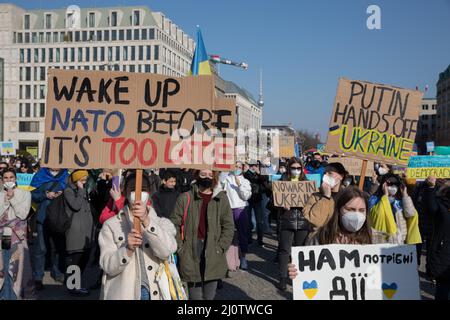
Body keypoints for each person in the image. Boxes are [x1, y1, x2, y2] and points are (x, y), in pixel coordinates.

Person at [99, 173, 177, 300]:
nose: (139, 193)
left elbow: (166, 251)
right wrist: (127, 250)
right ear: (125, 192)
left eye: (144, 189)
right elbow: (107, 265)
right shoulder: (111, 225)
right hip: (124, 293)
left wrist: (147, 221)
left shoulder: (163, 223)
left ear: (150, 192)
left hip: (155, 291)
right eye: (133, 189)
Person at [170, 169, 234, 300]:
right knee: (195, 297)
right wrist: (180, 247)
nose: (207, 177)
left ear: (215, 177)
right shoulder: (185, 197)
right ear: (196, 175)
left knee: (209, 297)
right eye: (203, 174)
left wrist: (221, 247)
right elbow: (173, 224)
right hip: (191, 250)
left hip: (213, 249)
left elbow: (228, 225)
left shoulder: (221, 198)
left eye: (210, 175)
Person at [287, 186, 372, 279]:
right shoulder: (320, 237)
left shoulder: (377, 239)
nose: (357, 215)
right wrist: (297, 271)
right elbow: (308, 272)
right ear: (338, 210)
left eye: (361, 210)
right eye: (350, 209)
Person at [29, 167, 69, 290]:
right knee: (40, 249)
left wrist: (64, 193)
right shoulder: (40, 175)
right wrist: (46, 194)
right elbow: (32, 195)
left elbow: (74, 193)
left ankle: (57, 273)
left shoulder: (66, 176)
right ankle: (38, 277)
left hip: (59, 218)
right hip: (43, 217)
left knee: (58, 248)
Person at [276, 158, 312, 291]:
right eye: (293, 168)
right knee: (284, 250)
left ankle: (298, 278)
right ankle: (282, 278)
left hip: (303, 222)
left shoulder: (307, 183)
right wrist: (281, 205)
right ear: (289, 168)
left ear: (301, 169)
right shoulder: (282, 182)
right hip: (287, 220)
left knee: (299, 251)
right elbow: (275, 201)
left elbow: (312, 202)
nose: (296, 170)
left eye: (298, 168)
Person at [0, 169, 34, 299]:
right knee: (4, 266)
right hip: (3, 236)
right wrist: (5, 200)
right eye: (6, 178)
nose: (9, 180)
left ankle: (15, 296)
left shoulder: (25, 194)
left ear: (16, 179)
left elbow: (23, 214)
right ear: (2, 180)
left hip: (18, 237)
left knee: (16, 268)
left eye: (11, 177)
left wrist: (13, 199)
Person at [63, 170, 94, 296]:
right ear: (76, 180)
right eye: (82, 179)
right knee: (75, 260)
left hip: (86, 231)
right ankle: (72, 287)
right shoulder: (69, 191)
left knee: (84, 259)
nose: (85, 182)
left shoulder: (84, 190)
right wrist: (81, 190)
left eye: (86, 179)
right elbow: (76, 206)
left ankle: (76, 284)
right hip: (75, 231)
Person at [368, 173, 421, 245]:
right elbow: (377, 216)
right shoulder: (374, 199)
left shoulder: (401, 200)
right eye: (390, 183)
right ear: (383, 184)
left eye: (396, 183)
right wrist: (385, 196)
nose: (393, 186)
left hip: (401, 241)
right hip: (383, 240)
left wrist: (405, 195)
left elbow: (410, 214)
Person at [220, 162, 252, 270]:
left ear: (242, 169)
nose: (237, 169)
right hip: (228, 209)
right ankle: (226, 258)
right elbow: (219, 186)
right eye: (235, 166)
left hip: (240, 208)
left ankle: (243, 257)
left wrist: (240, 185)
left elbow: (246, 196)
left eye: (239, 167)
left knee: (242, 234)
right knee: (227, 233)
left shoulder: (245, 181)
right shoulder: (226, 178)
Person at [303, 163, 348, 229]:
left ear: (341, 176)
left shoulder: (346, 196)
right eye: (324, 173)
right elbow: (314, 220)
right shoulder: (315, 194)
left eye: (330, 173)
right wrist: (326, 196)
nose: (325, 176)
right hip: (320, 236)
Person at [428, 181, 450, 300]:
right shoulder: (441, 206)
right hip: (444, 254)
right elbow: (431, 207)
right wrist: (431, 187)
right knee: (443, 289)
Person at [244, 161, 266, 246]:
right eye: (252, 165)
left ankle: (260, 239)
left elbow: (265, 180)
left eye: (255, 165)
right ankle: (249, 239)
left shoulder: (260, 174)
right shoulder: (246, 174)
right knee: (248, 220)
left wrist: (259, 173)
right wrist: (245, 171)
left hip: (258, 199)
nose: (253, 167)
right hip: (248, 199)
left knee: (259, 221)